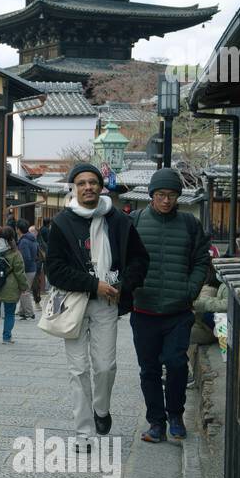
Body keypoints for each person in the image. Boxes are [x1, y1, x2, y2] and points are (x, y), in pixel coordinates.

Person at [46, 163, 149, 451]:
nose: (88, 187)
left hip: (107, 304)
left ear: (101, 187)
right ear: (73, 188)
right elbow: (54, 270)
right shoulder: (62, 223)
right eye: (81, 183)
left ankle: (101, 410)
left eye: (93, 182)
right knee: (78, 370)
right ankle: (83, 433)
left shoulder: (118, 221)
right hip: (73, 304)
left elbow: (141, 261)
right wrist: (93, 285)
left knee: (105, 366)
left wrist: (122, 286)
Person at [129, 168, 211, 443]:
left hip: (178, 310)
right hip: (144, 309)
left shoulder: (189, 224)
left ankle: (175, 415)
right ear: (152, 195)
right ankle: (156, 423)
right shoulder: (136, 221)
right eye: (161, 195)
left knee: (176, 363)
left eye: (172, 195)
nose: (166, 200)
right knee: (149, 368)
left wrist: (190, 290)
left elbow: (202, 260)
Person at [16, 224, 40, 320]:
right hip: (32, 268)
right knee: (25, 290)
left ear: (18, 229)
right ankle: (22, 311)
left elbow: (25, 258)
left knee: (24, 291)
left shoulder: (24, 241)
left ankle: (30, 312)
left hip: (27, 269)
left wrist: (20, 269)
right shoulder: (32, 239)